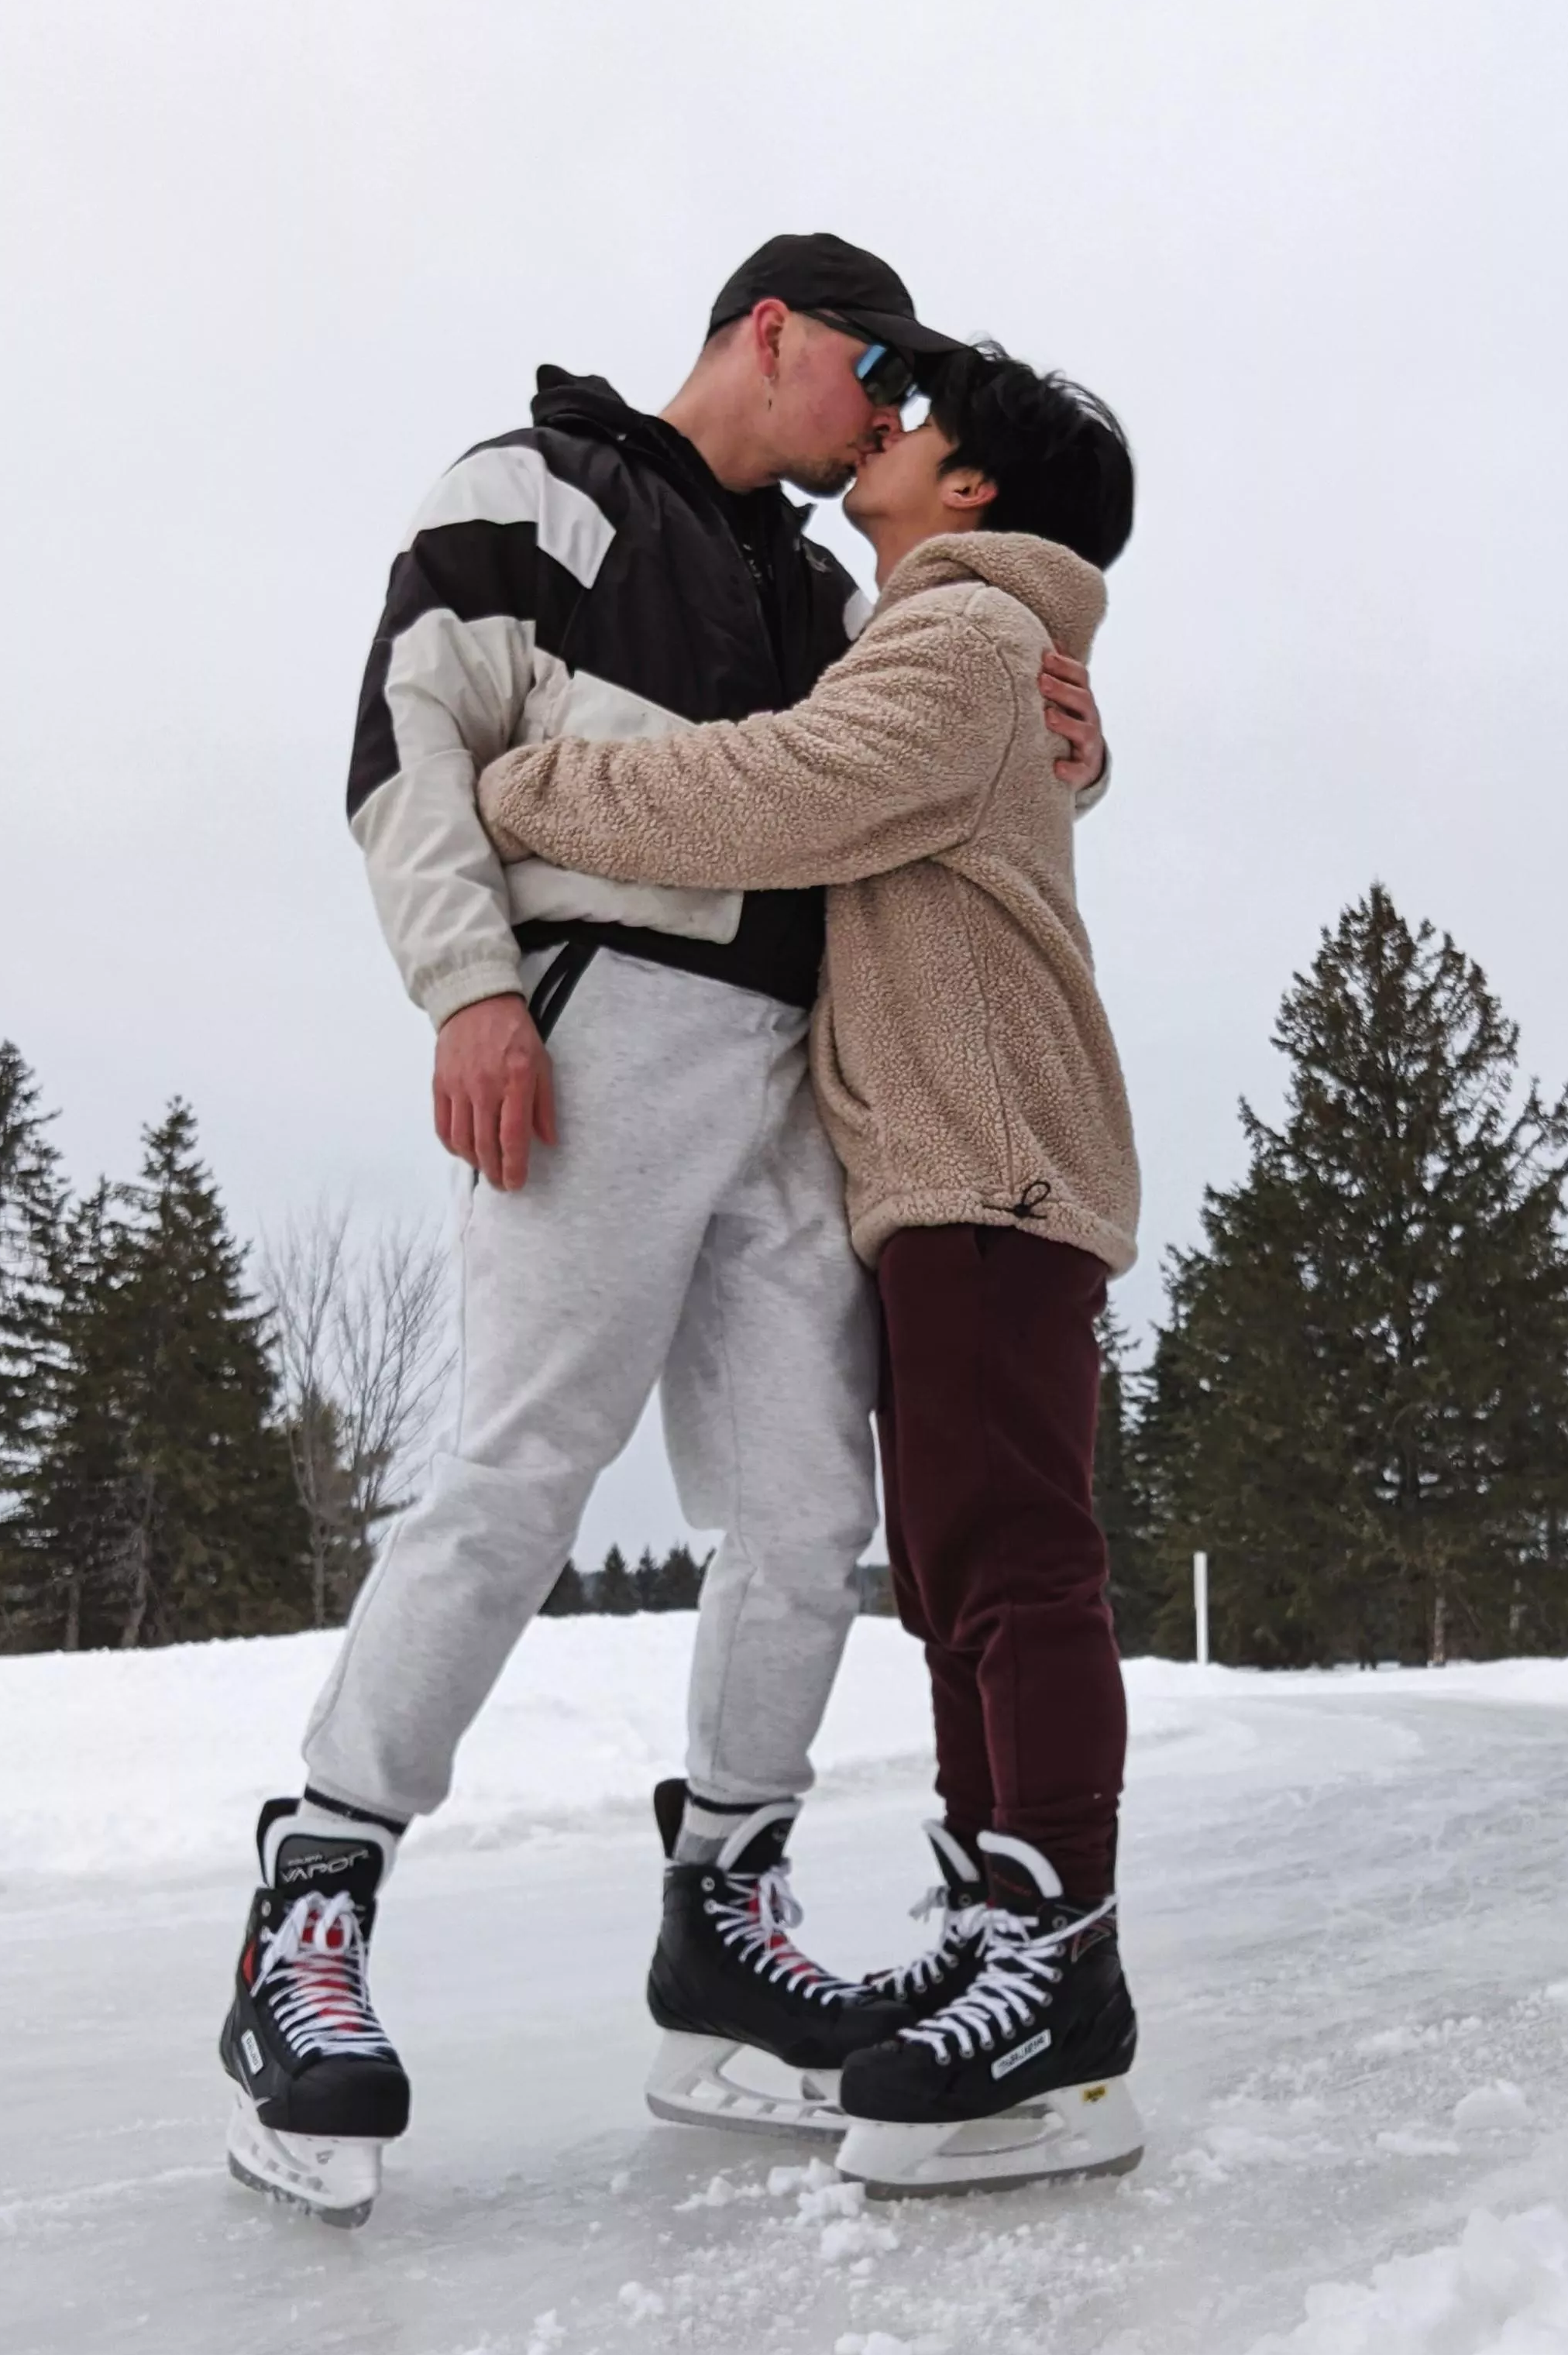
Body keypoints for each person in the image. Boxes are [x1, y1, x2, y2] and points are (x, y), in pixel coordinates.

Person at [218, 242, 1110, 2226]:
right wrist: (466, 990)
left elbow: (920, 756)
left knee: (804, 1518)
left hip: (800, 1074)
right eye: (867, 373)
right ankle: (314, 1899)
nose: (883, 419)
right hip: (601, 1033)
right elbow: (406, 743)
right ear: (766, 329)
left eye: (909, 403)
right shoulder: (534, 486)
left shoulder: (822, 591)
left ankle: (724, 1915)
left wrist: (1072, 721)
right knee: (522, 1472)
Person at [476, 342, 1145, 2192]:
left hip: (992, 1148)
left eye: (916, 427)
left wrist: (526, 793)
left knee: (1009, 1555)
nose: (885, 433)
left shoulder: (962, 634)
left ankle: (1066, 1961)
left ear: (979, 491)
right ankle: (1000, 1917)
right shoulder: (960, 639)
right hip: (932, 1160)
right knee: (945, 1566)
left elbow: (780, 792)